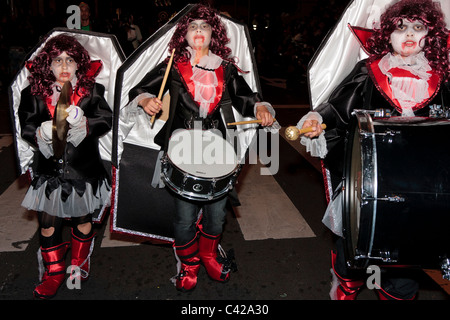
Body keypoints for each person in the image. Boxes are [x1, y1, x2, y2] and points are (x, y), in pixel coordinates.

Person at [297, 0, 450, 300]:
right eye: (400, 26)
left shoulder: (440, 77)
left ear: (429, 34)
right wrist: (318, 119)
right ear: (386, 34)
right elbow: (338, 108)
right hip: (367, 178)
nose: (408, 34)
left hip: (419, 188)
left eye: (417, 27)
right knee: (353, 243)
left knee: (406, 262)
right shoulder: (370, 71)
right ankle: (346, 283)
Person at [127, 4, 276, 292]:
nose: (198, 31)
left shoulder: (225, 68)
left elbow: (247, 97)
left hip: (218, 146)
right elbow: (138, 90)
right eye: (192, 26)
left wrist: (260, 107)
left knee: (217, 214)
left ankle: (208, 254)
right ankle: (188, 263)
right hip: (182, 145)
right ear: (183, 34)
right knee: (184, 215)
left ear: (213, 34)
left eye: (204, 26)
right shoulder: (172, 65)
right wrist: (146, 100)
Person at [18, 34, 112, 299]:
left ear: (78, 63)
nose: (64, 66)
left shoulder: (91, 90)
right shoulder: (33, 93)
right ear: (48, 64)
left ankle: (79, 263)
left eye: (70, 60)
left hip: (84, 169)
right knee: (48, 225)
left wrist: (86, 124)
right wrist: (40, 131)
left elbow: (106, 118)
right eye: (57, 60)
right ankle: (54, 272)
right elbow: (25, 125)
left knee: (83, 222)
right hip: (49, 171)